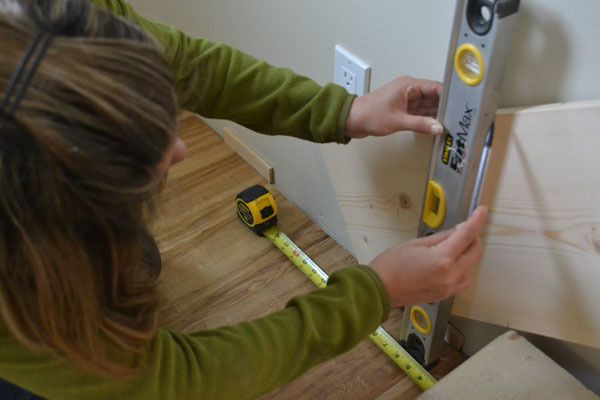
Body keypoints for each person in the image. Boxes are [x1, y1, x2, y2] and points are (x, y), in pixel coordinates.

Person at [0, 0, 488, 399]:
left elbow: (192, 67)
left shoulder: (54, 18)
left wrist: (344, 111)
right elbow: (177, 380)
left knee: (131, 271)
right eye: (128, 160)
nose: (181, 148)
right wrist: (376, 293)